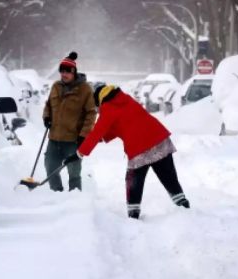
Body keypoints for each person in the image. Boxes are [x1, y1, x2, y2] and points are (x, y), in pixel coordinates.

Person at [64, 84, 191, 219]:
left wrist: (79, 153)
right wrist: (96, 140)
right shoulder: (125, 98)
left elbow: (97, 132)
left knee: (133, 181)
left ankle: (133, 214)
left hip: (140, 149)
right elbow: (120, 125)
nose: (98, 109)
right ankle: (184, 207)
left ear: (99, 100)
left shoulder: (108, 108)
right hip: (160, 140)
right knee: (169, 178)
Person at [42, 52, 96, 192]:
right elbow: (48, 105)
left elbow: (91, 113)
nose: (64, 74)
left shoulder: (85, 90)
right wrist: (47, 117)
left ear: (74, 72)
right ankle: (57, 195)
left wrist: (83, 135)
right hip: (54, 138)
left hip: (73, 140)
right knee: (50, 168)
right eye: (61, 71)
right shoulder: (55, 86)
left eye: (67, 72)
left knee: (74, 173)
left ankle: (75, 202)